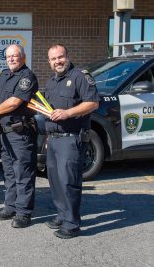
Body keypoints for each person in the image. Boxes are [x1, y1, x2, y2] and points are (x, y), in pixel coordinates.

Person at [44, 44, 99, 239]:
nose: (57, 61)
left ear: (68, 56)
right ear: (49, 62)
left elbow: (93, 102)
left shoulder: (80, 76)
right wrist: (48, 137)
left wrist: (68, 113)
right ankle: (62, 215)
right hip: (54, 139)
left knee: (69, 182)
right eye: (53, 59)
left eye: (60, 57)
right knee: (56, 182)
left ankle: (72, 224)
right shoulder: (51, 82)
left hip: (72, 139)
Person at [0, 44, 38, 228]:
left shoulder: (27, 76)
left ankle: (24, 213)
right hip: (4, 132)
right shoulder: (4, 75)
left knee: (23, 173)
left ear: (23, 57)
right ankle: (10, 207)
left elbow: (15, 102)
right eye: (8, 56)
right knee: (9, 172)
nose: (11, 59)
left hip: (20, 133)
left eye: (15, 56)